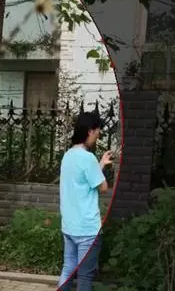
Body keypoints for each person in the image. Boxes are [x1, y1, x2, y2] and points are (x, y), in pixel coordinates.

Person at [58, 112, 113, 291]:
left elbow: (84, 180)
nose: (98, 135)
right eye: (97, 132)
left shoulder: (68, 155)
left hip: (69, 226)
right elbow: (102, 187)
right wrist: (101, 167)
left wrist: (101, 164)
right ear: (90, 131)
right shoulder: (88, 158)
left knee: (68, 269)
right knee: (84, 276)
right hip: (87, 230)